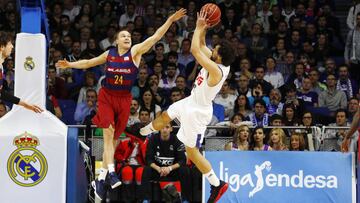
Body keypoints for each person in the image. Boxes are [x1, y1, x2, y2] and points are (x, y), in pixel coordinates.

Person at [55, 9, 186, 200]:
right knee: (108, 134)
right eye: (123, 35)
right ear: (116, 41)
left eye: (129, 35)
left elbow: (156, 37)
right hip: (107, 96)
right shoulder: (109, 54)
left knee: (114, 140)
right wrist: (70, 65)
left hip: (124, 100)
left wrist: (170, 20)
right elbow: (89, 62)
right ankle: (111, 171)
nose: (127, 37)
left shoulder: (135, 52)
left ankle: (101, 179)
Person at [140, 10, 235, 203]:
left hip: (198, 112)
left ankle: (217, 185)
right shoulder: (219, 61)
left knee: (192, 152)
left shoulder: (217, 71)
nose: (212, 50)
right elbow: (200, 45)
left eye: (215, 50)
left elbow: (194, 51)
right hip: (190, 102)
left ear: (219, 57)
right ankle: (142, 131)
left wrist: (199, 26)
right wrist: (204, 28)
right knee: (166, 115)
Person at [0, 31, 42, 113]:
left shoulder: (1, 66)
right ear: (2, 46)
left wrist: (26, 105)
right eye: (9, 44)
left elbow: (2, 93)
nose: (12, 46)